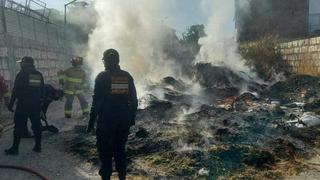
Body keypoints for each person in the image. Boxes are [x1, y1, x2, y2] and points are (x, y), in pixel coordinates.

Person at [87, 49, 138, 180]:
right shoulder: (126, 76)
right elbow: (133, 100)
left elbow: (96, 102)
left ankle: (106, 176)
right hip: (123, 121)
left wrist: (91, 122)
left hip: (106, 121)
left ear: (106, 61)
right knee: (120, 149)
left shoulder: (102, 77)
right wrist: (131, 117)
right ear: (118, 60)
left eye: (104, 60)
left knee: (105, 151)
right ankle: (122, 176)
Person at [5, 56, 44, 155]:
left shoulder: (21, 74)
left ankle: (15, 148)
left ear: (24, 63)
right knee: (36, 125)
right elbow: (41, 91)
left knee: (18, 126)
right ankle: (38, 146)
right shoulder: (38, 74)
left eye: (21, 63)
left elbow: (16, 90)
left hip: (23, 105)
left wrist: (11, 103)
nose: (20, 64)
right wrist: (41, 106)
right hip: (35, 104)